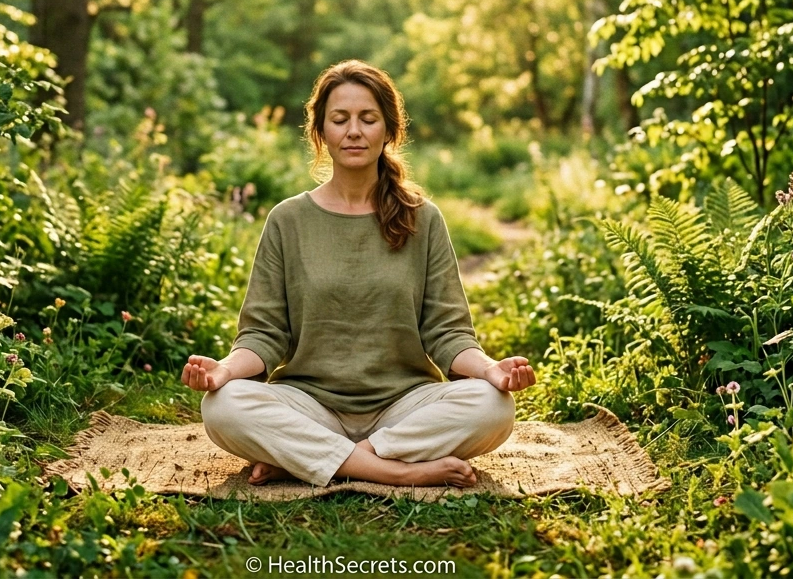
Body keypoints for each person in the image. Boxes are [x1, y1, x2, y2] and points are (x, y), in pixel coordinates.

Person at [181, 60, 537, 488]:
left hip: (405, 407)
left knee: (493, 407)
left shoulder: (423, 219)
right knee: (222, 405)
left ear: (388, 130)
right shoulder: (287, 220)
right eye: (340, 119)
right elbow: (264, 334)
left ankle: (311, 459)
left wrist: (490, 371)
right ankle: (392, 470)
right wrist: (223, 371)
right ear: (321, 132)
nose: (354, 131)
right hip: (309, 405)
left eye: (368, 119)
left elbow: (448, 333)